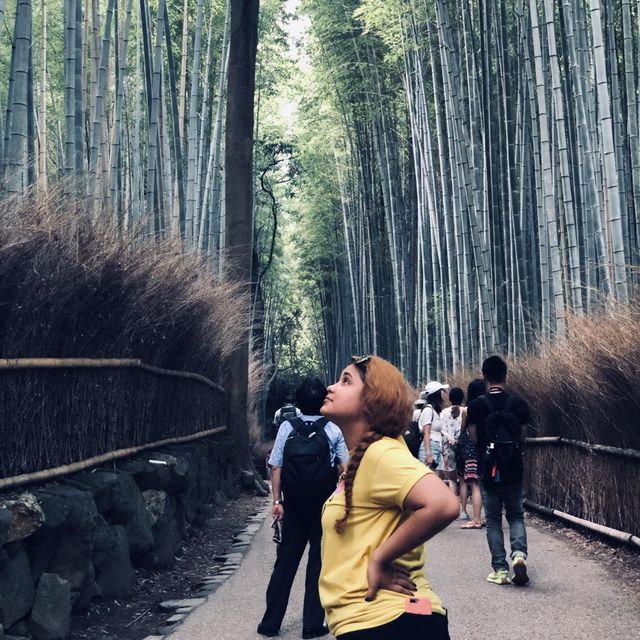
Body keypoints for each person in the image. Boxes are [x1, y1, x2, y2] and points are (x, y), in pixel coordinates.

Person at [319, 355, 459, 639]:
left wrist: (380, 559)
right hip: (387, 620)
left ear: (373, 400)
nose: (331, 388)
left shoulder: (380, 453)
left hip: (386, 622)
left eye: (346, 381)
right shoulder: (366, 458)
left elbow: (443, 504)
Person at [258, 378, 349, 638]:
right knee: (318, 565)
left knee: (285, 563)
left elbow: (276, 466)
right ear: (323, 401)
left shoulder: (287, 427)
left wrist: (277, 502)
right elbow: (345, 468)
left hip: (294, 506)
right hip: (323, 507)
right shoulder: (332, 428)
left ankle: (270, 623)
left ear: (297, 403)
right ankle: (311, 625)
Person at [467, 356, 531, 586]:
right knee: (515, 514)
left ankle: (500, 570)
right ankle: (519, 555)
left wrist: (484, 450)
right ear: (506, 375)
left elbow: (473, 435)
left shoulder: (476, 405)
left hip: (488, 467)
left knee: (493, 519)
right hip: (513, 466)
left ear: (483, 376)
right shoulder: (518, 403)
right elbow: (523, 433)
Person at [457, 379, 484, 528]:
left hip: (472, 448)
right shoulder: (488, 407)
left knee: (474, 485)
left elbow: (462, 430)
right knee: (484, 484)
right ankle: (486, 518)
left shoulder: (467, 410)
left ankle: (477, 519)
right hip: (487, 447)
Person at [419, 381, 448, 474]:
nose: (443, 395)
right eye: (441, 392)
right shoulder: (428, 410)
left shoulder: (434, 411)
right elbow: (426, 433)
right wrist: (428, 455)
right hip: (430, 446)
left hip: (436, 446)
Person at [439, 387, 463, 496]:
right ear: (462, 398)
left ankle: (453, 504)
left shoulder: (443, 412)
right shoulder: (465, 411)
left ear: (450, 398)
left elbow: (441, 429)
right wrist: (457, 440)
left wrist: (450, 438)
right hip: (462, 448)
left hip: (448, 449)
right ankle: (463, 509)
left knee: (452, 480)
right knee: (463, 480)